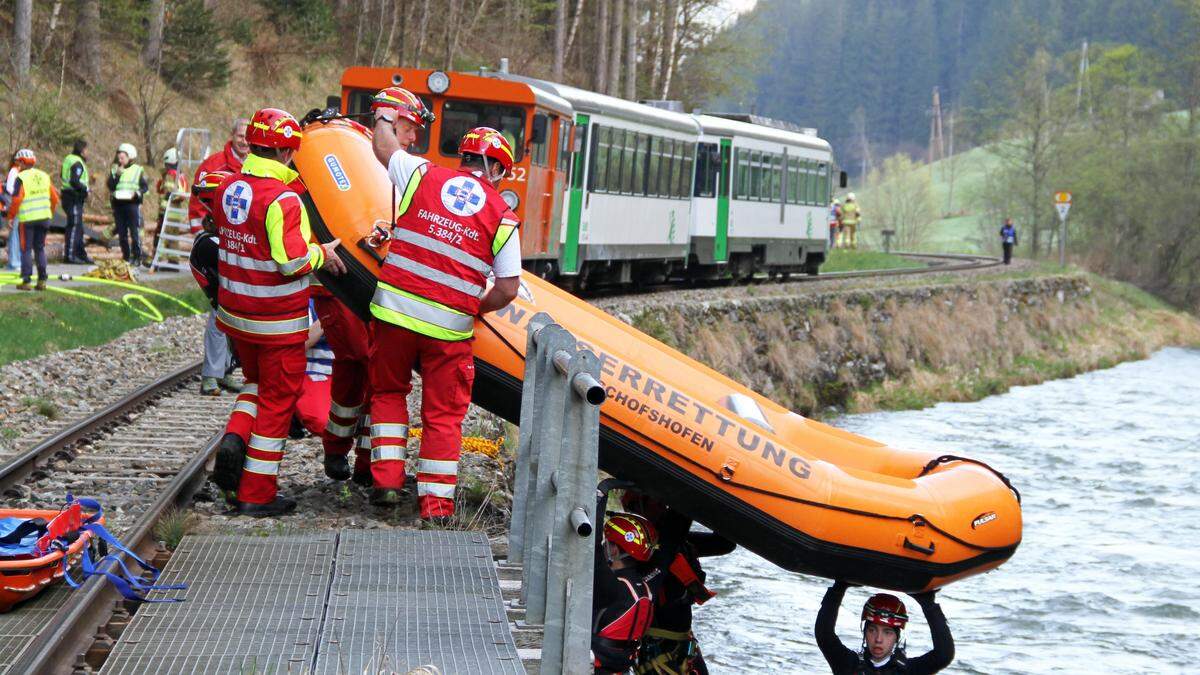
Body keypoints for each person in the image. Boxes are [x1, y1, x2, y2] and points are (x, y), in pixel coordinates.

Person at [366, 86, 521, 515]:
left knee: (388, 394)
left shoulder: (422, 174)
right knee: (442, 414)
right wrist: (475, 305)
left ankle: (387, 484)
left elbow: (383, 146)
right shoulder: (503, 218)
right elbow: (508, 288)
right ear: (499, 172)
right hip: (449, 329)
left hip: (393, 313)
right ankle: (435, 506)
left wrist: (386, 114)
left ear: (464, 158)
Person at [208, 107, 346, 517]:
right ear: (287, 153)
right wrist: (322, 253)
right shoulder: (283, 199)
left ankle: (235, 435)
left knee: (255, 384)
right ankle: (257, 492)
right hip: (277, 322)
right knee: (277, 404)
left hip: (236, 317)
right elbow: (290, 260)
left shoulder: (228, 187)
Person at [624, 493, 735, 675]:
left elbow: (724, 543)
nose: (664, 508)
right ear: (638, 508)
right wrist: (686, 489)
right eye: (658, 503)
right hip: (658, 650)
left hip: (684, 644)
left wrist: (721, 504)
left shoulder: (680, 542)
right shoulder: (641, 549)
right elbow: (680, 517)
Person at [815, 581, 954, 674]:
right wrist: (838, 589)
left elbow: (944, 655)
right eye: (872, 630)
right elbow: (824, 635)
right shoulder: (848, 664)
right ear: (864, 632)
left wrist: (929, 605)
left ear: (897, 637)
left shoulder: (908, 671)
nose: (878, 639)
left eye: (887, 632)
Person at [593, 500, 662, 674]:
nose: (604, 546)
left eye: (606, 543)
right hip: (624, 666)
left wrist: (601, 497)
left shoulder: (612, 587)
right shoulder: (649, 587)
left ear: (614, 550)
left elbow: (591, 546)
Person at [188, 169, 237, 396]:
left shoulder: (222, 237)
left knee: (231, 331)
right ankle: (211, 376)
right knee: (218, 328)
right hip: (221, 290)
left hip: (230, 288)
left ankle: (224, 372)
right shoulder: (208, 243)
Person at [6, 149, 61, 291]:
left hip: (27, 220)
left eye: (18, 162)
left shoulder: (21, 177)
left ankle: (26, 281)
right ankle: (42, 280)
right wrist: (51, 211)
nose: (17, 165)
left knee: (26, 249)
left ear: (22, 162)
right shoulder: (44, 175)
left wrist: (11, 216)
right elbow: (55, 197)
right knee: (40, 248)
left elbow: (17, 199)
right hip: (44, 218)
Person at [188, 118, 249, 235]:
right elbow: (197, 202)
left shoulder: (257, 166)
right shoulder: (212, 165)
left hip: (243, 239)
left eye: (247, 137)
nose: (244, 142)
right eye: (240, 136)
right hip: (214, 235)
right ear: (232, 135)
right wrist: (203, 236)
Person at [107, 143, 149, 266]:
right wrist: (117, 175)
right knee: (122, 234)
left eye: (122, 158)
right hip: (118, 205)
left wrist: (136, 193)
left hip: (132, 204)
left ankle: (137, 256)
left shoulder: (138, 170)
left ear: (130, 157)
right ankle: (126, 257)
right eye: (119, 158)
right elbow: (110, 185)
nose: (120, 160)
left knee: (134, 232)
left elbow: (144, 187)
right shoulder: (115, 169)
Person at [60, 139, 92, 264]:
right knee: (73, 226)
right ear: (82, 150)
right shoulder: (77, 163)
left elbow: (63, 176)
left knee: (79, 227)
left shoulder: (68, 159)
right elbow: (74, 181)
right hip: (72, 197)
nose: (88, 152)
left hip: (71, 196)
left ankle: (80, 253)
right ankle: (69, 255)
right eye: (87, 149)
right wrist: (86, 189)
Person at [153, 147, 189, 255]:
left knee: (162, 236)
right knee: (172, 238)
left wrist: (163, 208)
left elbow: (165, 193)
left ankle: (157, 260)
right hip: (175, 212)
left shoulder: (171, 175)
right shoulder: (181, 176)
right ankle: (173, 262)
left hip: (168, 211)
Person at [4, 152, 23, 271]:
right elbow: (10, 189)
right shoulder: (14, 171)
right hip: (15, 202)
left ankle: (16, 262)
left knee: (17, 233)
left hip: (21, 203)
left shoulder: (21, 172)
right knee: (14, 233)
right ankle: (14, 262)